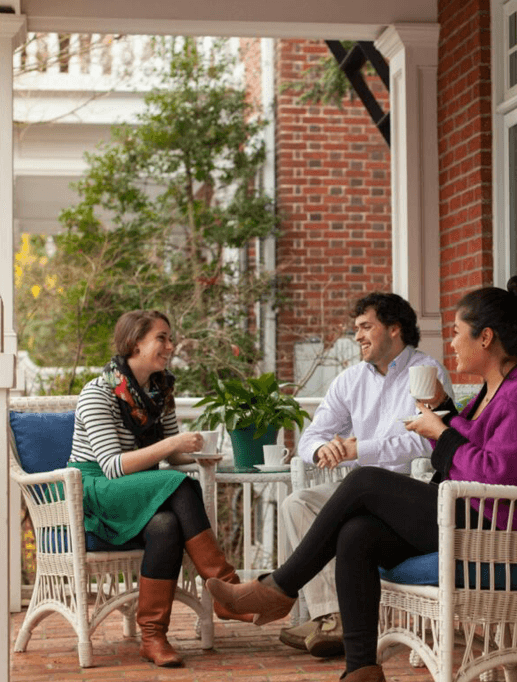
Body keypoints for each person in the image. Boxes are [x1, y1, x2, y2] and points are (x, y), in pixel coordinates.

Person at [206, 279, 517, 682]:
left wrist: (440, 431)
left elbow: (497, 474)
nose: (453, 343)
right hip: (458, 513)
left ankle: (278, 589)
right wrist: (444, 412)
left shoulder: (512, 394)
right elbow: (469, 441)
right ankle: (361, 669)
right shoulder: (488, 394)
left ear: (486, 337)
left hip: (487, 527)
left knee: (364, 481)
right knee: (357, 534)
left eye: (457, 332)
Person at [68, 310, 252, 669]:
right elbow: (113, 466)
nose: (170, 345)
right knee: (181, 485)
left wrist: (196, 453)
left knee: (166, 525)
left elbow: (171, 452)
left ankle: (153, 637)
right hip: (97, 490)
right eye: (162, 338)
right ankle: (227, 590)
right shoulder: (97, 393)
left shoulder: (159, 389)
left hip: (142, 487)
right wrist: (172, 448)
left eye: (170, 338)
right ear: (136, 343)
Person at [280, 292, 453, 657]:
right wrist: (321, 449)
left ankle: (287, 595)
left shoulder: (426, 373)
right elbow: (310, 436)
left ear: (394, 328)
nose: (356, 336)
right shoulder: (349, 380)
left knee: (358, 493)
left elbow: (429, 443)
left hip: (413, 492)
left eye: (365, 326)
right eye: (355, 328)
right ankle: (334, 617)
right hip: (357, 489)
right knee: (297, 502)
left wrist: (362, 449)